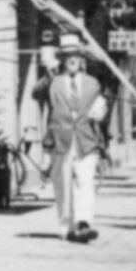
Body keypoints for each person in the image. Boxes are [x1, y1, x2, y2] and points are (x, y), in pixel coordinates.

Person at [32, 33, 108, 243]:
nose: (73, 59)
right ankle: (67, 227)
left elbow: (100, 106)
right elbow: (35, 94)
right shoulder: (53, 82)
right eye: (68, 56)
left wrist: (101, 111)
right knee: (63, 186)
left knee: (85, 182)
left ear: (81, 58)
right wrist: (48, 74)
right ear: (62, 59)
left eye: (76, 55)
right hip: (61, 140)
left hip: (86, 141)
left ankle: (84, 223)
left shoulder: (93, 83)